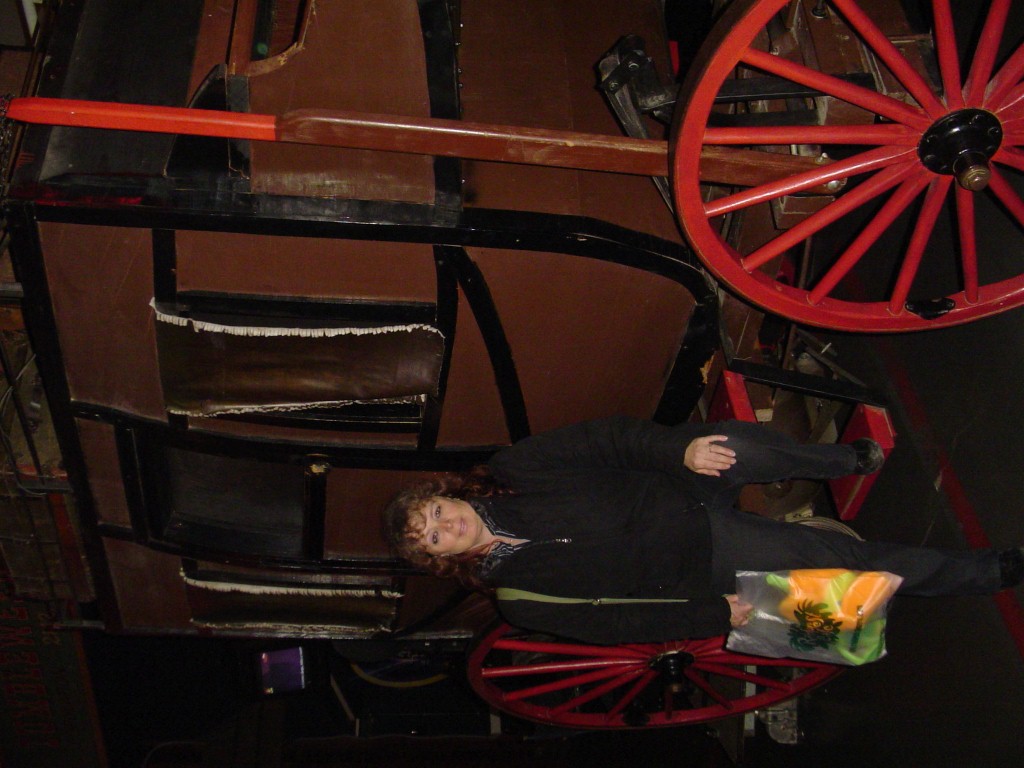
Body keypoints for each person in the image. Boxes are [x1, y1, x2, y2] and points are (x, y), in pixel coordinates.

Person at [382, 416, 1024, 645]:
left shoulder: (515, 471)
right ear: (440, 560)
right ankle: (986, 571)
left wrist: (677, 451)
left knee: (737, 447)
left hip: (676, 483)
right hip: (703, 557)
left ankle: (843, 460)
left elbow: (607, 439)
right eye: (432, 538)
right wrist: (714, 615)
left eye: (435, 512)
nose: (445, 526)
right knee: (837, 561)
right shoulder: (520, 600)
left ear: (445, 494)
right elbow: (621, 623)